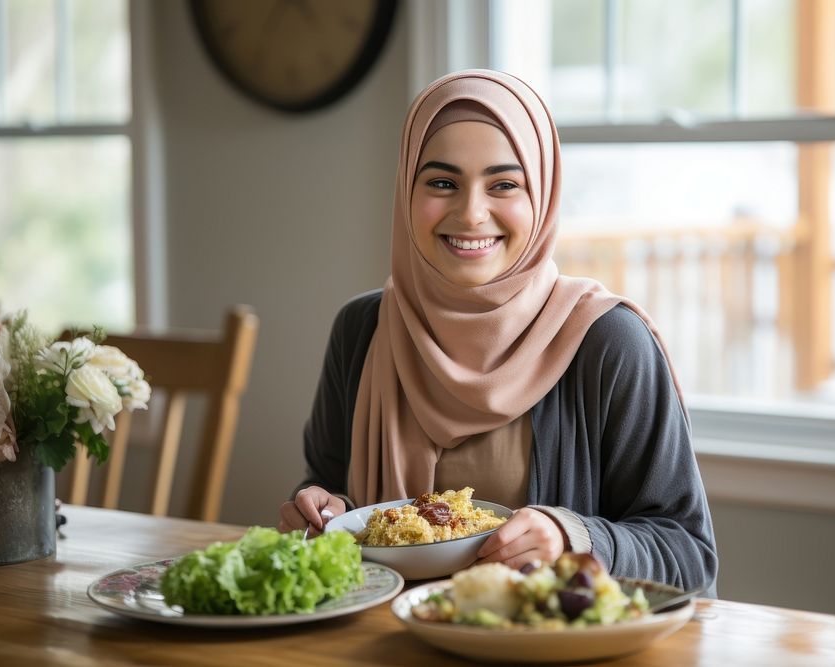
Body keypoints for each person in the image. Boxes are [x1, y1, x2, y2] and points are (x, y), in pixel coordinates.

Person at [278, 69, 717, 590]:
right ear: (405, 190)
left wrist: (571, 536)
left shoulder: (607, 342)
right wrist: (325, 513)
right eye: (442, 183)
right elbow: (328, 488)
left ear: (544, 195)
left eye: (504, 184)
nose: (471, 213)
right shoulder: (362, 331)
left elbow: (688, 554)